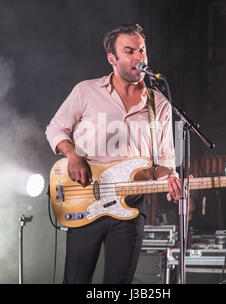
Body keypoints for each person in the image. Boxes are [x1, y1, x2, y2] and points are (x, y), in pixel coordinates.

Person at [45, 24, 181, 284]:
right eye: (129, 51)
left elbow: (164, 161)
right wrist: (72, 156)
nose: (138, 57)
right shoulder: (86, 91)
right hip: (84, 197)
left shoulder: (159, 103)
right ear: (112, 59)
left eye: (142, 50)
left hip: (131, 205)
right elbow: (56, 129)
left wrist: (170, 180)